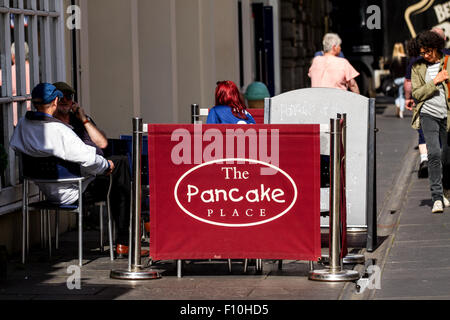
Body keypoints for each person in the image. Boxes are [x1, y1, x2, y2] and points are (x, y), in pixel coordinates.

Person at [52, 81, 139, 257]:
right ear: (54, 101)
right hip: (77, 183)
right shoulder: (52, 125)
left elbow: (102, 143)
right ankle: (125, 241)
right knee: (120, 173)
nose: (65, 101)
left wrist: (84, 119)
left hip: (92, 176)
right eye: (60, 97)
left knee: (120, 178)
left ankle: (126, 240)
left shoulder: (79, 121)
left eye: (68, 97)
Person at [10, 83, 114, 206]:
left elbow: (16, 149)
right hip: (73, 191)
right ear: (55, 101)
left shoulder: (23, 124)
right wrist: (106, 165)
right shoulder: (60, 130)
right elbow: (89, 159)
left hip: (43, 188)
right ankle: (126, 223)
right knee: (118, 168)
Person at [409, 30, 450, 213]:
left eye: (428, 51)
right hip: (428, 114)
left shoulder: (448, 62)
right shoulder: (417, 67)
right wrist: (435, 81)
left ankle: (445, 193)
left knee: (446, 157)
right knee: (433, 153)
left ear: (436, 47)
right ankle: (436, 197)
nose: (425, 55)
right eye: (422, 53)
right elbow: (416, 94)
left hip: (447, 116)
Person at [388, 43, 408, 118]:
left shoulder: (394, 58)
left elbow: (390, 70)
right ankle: (401, 112)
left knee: (396, 95)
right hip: (404, 79)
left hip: (396, 80)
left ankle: (398, 105)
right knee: (402, 95)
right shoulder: (406, 58)